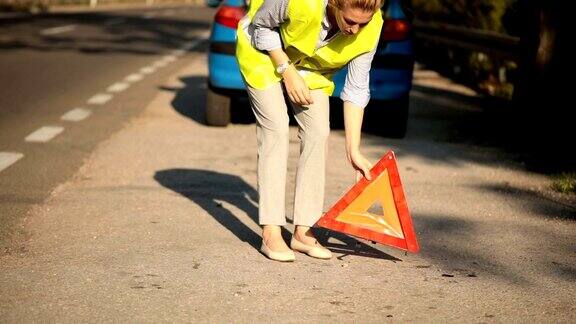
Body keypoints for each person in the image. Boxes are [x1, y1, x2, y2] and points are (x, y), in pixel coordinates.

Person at [236, 0, 382, 262]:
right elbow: (261, 26)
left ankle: (303, 232)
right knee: (277, 128)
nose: (355, 31)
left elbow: (357, 88)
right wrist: (286, 70)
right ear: (335, 4)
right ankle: (271, 232)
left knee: (318, 132)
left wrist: (353, 151)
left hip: (309, 66)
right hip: (262, 50)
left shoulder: (373, 26)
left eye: (363, 23)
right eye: (350, 21)